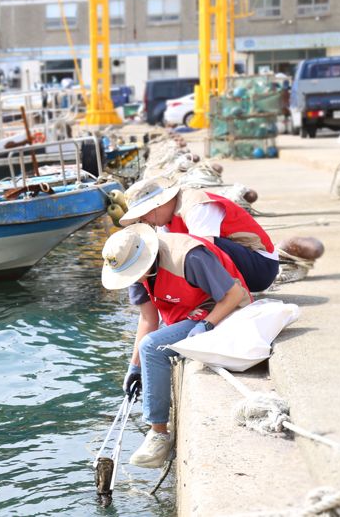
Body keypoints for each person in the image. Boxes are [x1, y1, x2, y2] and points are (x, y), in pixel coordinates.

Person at [101, 224, 252, 467]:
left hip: (224, 311)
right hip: (188, 314)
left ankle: (159, 434)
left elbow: (234, 295)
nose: (131, 280)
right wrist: (135, 366)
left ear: (144, 258)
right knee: (147, 348)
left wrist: (207, 325)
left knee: (152, 346)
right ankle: (159, 429)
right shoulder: (137, 270)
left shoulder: (190, 257)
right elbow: (148, 319)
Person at [119, 177, 278, 293]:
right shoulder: (165, 221)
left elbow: (205, 253)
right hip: (240, 264)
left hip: (261, 266)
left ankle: (228, 298)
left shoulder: (196, 205)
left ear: (156, 206)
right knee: (167, 250)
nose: (143, 220)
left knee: (197, 249)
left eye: (143, 215)